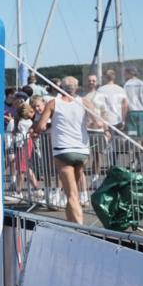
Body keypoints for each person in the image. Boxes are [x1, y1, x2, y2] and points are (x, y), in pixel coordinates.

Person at [34, 76, 102, 225]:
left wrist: (38, 130)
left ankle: (80, 228)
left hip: (63, 150)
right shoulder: (84, 102)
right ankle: (71, 223)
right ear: (76, 88)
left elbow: (41, 126)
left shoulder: (53, 103)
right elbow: (98, 122)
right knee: (72, 192)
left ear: (60, 87)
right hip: (82, 151)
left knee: (71, 194)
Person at [123, 67, 143, 138]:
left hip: (131, 112)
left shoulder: (126, 84)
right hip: (142, 112)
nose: (124, 75)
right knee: (140, 134)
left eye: (125, 73)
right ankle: (140, 147)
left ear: (129, 73)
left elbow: (124, 100)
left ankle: (134, 148)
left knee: (132, 134)